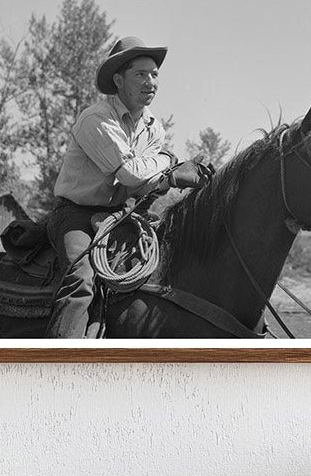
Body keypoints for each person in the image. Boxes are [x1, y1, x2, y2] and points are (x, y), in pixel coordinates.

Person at [45, 36, 210, 338]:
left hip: (121, 215)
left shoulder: (153, 127)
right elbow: (132, 174)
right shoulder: (96, 119)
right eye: (140, 74)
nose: (150, 82)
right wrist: (170, 162)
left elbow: (145, 183)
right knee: (80, 280)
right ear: (119, 80)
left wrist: (172, 176)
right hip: (76, 216)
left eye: (154, 74)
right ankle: (60, 360)